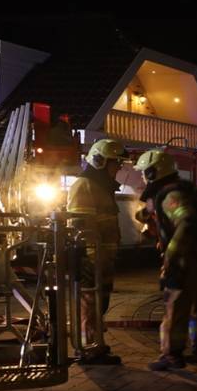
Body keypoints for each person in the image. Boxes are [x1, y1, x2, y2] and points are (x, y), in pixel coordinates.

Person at [67, 139, 127, 365]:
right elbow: (82, 227)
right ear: (100, 161)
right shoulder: (84, 185)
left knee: (98, 305)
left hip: (102, 260)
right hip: (91, 259)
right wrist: (94, 258)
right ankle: (88, 349)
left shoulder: (102, 186)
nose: (118, 168)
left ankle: (95, 344)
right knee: (89, 306)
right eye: (116, 163)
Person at [148, 181, 197, 371]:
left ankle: (171, 355)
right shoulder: (186, 191)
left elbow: (185, 222)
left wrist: (171, 257)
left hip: (182, 261)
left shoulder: (171, 197)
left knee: (174, 307)